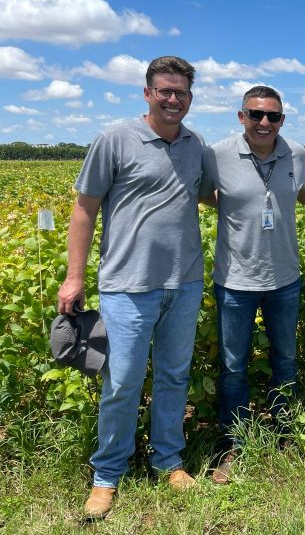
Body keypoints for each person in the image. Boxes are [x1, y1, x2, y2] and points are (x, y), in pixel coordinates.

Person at [57, 56, 204, 518]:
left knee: (174, 376)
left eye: (180, 92)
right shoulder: (115, 139)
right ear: (147, 93)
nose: (173, 98)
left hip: (185, 282)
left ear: (190, 98)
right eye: (164, 90)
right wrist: (74, 275)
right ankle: (107, 474)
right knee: (121, 382)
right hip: (127, 285)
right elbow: (85, 209)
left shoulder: (195, 144)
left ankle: (168, 460)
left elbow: (210, 194)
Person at [200, 86, 305, 484]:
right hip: (234, 280)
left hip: (285, 277)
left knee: (285, 361)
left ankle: (286, 437)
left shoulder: (296, 153)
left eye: (273, 116)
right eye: (256, 115)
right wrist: (242, 205)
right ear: (241, 117)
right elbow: (205, 196)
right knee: (234, 367)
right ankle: (234, 445)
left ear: (282, 119)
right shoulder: (217, 154)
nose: (264, 122)